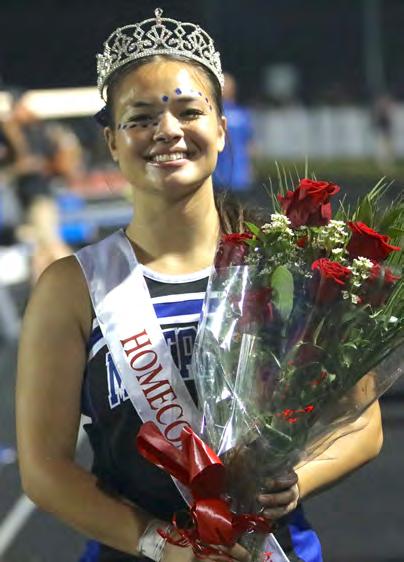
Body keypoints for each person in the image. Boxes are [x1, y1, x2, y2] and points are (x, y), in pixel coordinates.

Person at [16, 8, 383, 562]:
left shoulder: (286, 265)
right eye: (141, 118)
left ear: (222, 129)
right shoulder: (73, 288)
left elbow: (362, 423)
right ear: (111, 141)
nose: (168, 130)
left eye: (189, 111)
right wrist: (165, 545)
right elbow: (44, 470)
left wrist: (295, 482)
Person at [213, 72, 255, 198]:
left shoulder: (242, 113)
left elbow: (249, 144)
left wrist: (249, 166)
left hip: (237, 176)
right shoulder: (214, 113)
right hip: (219, 175)